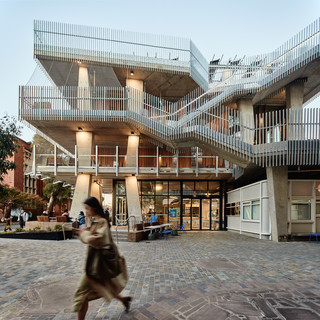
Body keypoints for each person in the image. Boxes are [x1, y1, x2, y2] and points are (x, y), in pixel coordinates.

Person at [73, 197, 131, 319]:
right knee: (105, 285)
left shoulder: (101, 222)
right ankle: (124, 300)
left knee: (81, 293)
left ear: (93, 208)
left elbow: (97, 240)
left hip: (98, 264)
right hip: (97, 264)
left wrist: (83, 233)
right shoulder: (96, 221)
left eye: (87, 209)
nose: (86, 212)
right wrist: (84, 231)